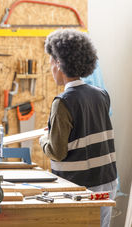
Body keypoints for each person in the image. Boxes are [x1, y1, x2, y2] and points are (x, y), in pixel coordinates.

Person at [39, 29, 117, 227]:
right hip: (107, 182)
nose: (50, 69)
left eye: (50, 63)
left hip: (79, 187)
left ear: (59, 63)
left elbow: (57, 152)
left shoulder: (63, 102)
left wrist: (43, 139)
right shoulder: (101, 94)